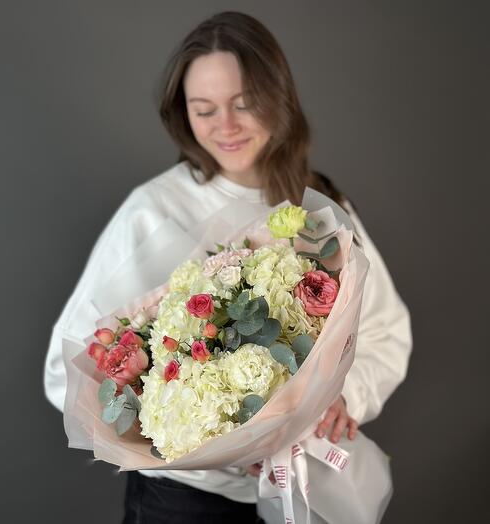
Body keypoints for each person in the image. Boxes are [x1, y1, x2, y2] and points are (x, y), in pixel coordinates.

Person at [43, 11, 412, 524]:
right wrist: (187, 435)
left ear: (278, 98)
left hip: (298, 490)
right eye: (205, 109)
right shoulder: (153, 211)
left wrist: (338, 399)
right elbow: (66, 370)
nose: (227, 127)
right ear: (183, 113)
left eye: (245, 104)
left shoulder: (319, 211)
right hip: (181, 503)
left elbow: (385, 331)